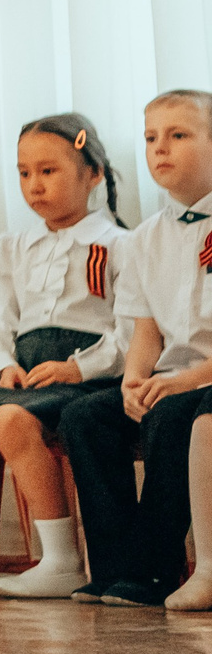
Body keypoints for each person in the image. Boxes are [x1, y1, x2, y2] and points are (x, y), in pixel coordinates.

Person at [0, 114, 129, 597]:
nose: (34, 185)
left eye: (48, 171)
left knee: (10, 422)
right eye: (24, 173)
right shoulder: (12, 247)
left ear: (93, 173)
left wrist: (78, 366)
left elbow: (129, 331)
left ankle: (61, 559)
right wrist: (4, 363)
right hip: (24, 371)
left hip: (85, 373)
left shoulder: (120, 245)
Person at [57, 89, 212, 607]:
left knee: (170, 414)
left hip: (203, 382)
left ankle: (155, 567)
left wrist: (184, 381)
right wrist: (133, 378)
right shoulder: (145, 239)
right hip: (172, 377)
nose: (159, 148)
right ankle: (116, 567)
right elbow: (145, 328)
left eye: (178, 136)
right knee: (86, 418)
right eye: (150, 138)